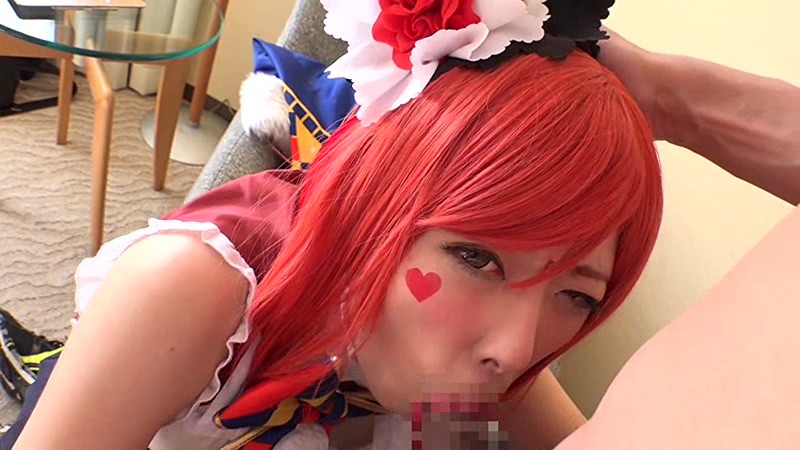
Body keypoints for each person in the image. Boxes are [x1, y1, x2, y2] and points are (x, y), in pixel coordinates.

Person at [2, 2, 798, 450]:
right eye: (477, 257)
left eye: (576, 295)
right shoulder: (187, 290)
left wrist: (663, 98)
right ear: (373, 206)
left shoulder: (487, 355)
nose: (516, 349)